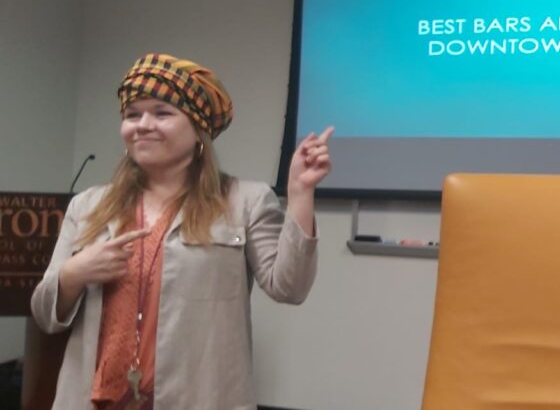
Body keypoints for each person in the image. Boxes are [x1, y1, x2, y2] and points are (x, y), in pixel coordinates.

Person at [31, 53, 333, 409]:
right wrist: (74, 274)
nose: (143, 124)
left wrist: (300, 193)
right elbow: (45, 314)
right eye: (132, 114)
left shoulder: (245, 201)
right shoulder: (88, 206)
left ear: (198, 129)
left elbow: (290, 287)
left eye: (162, 113)